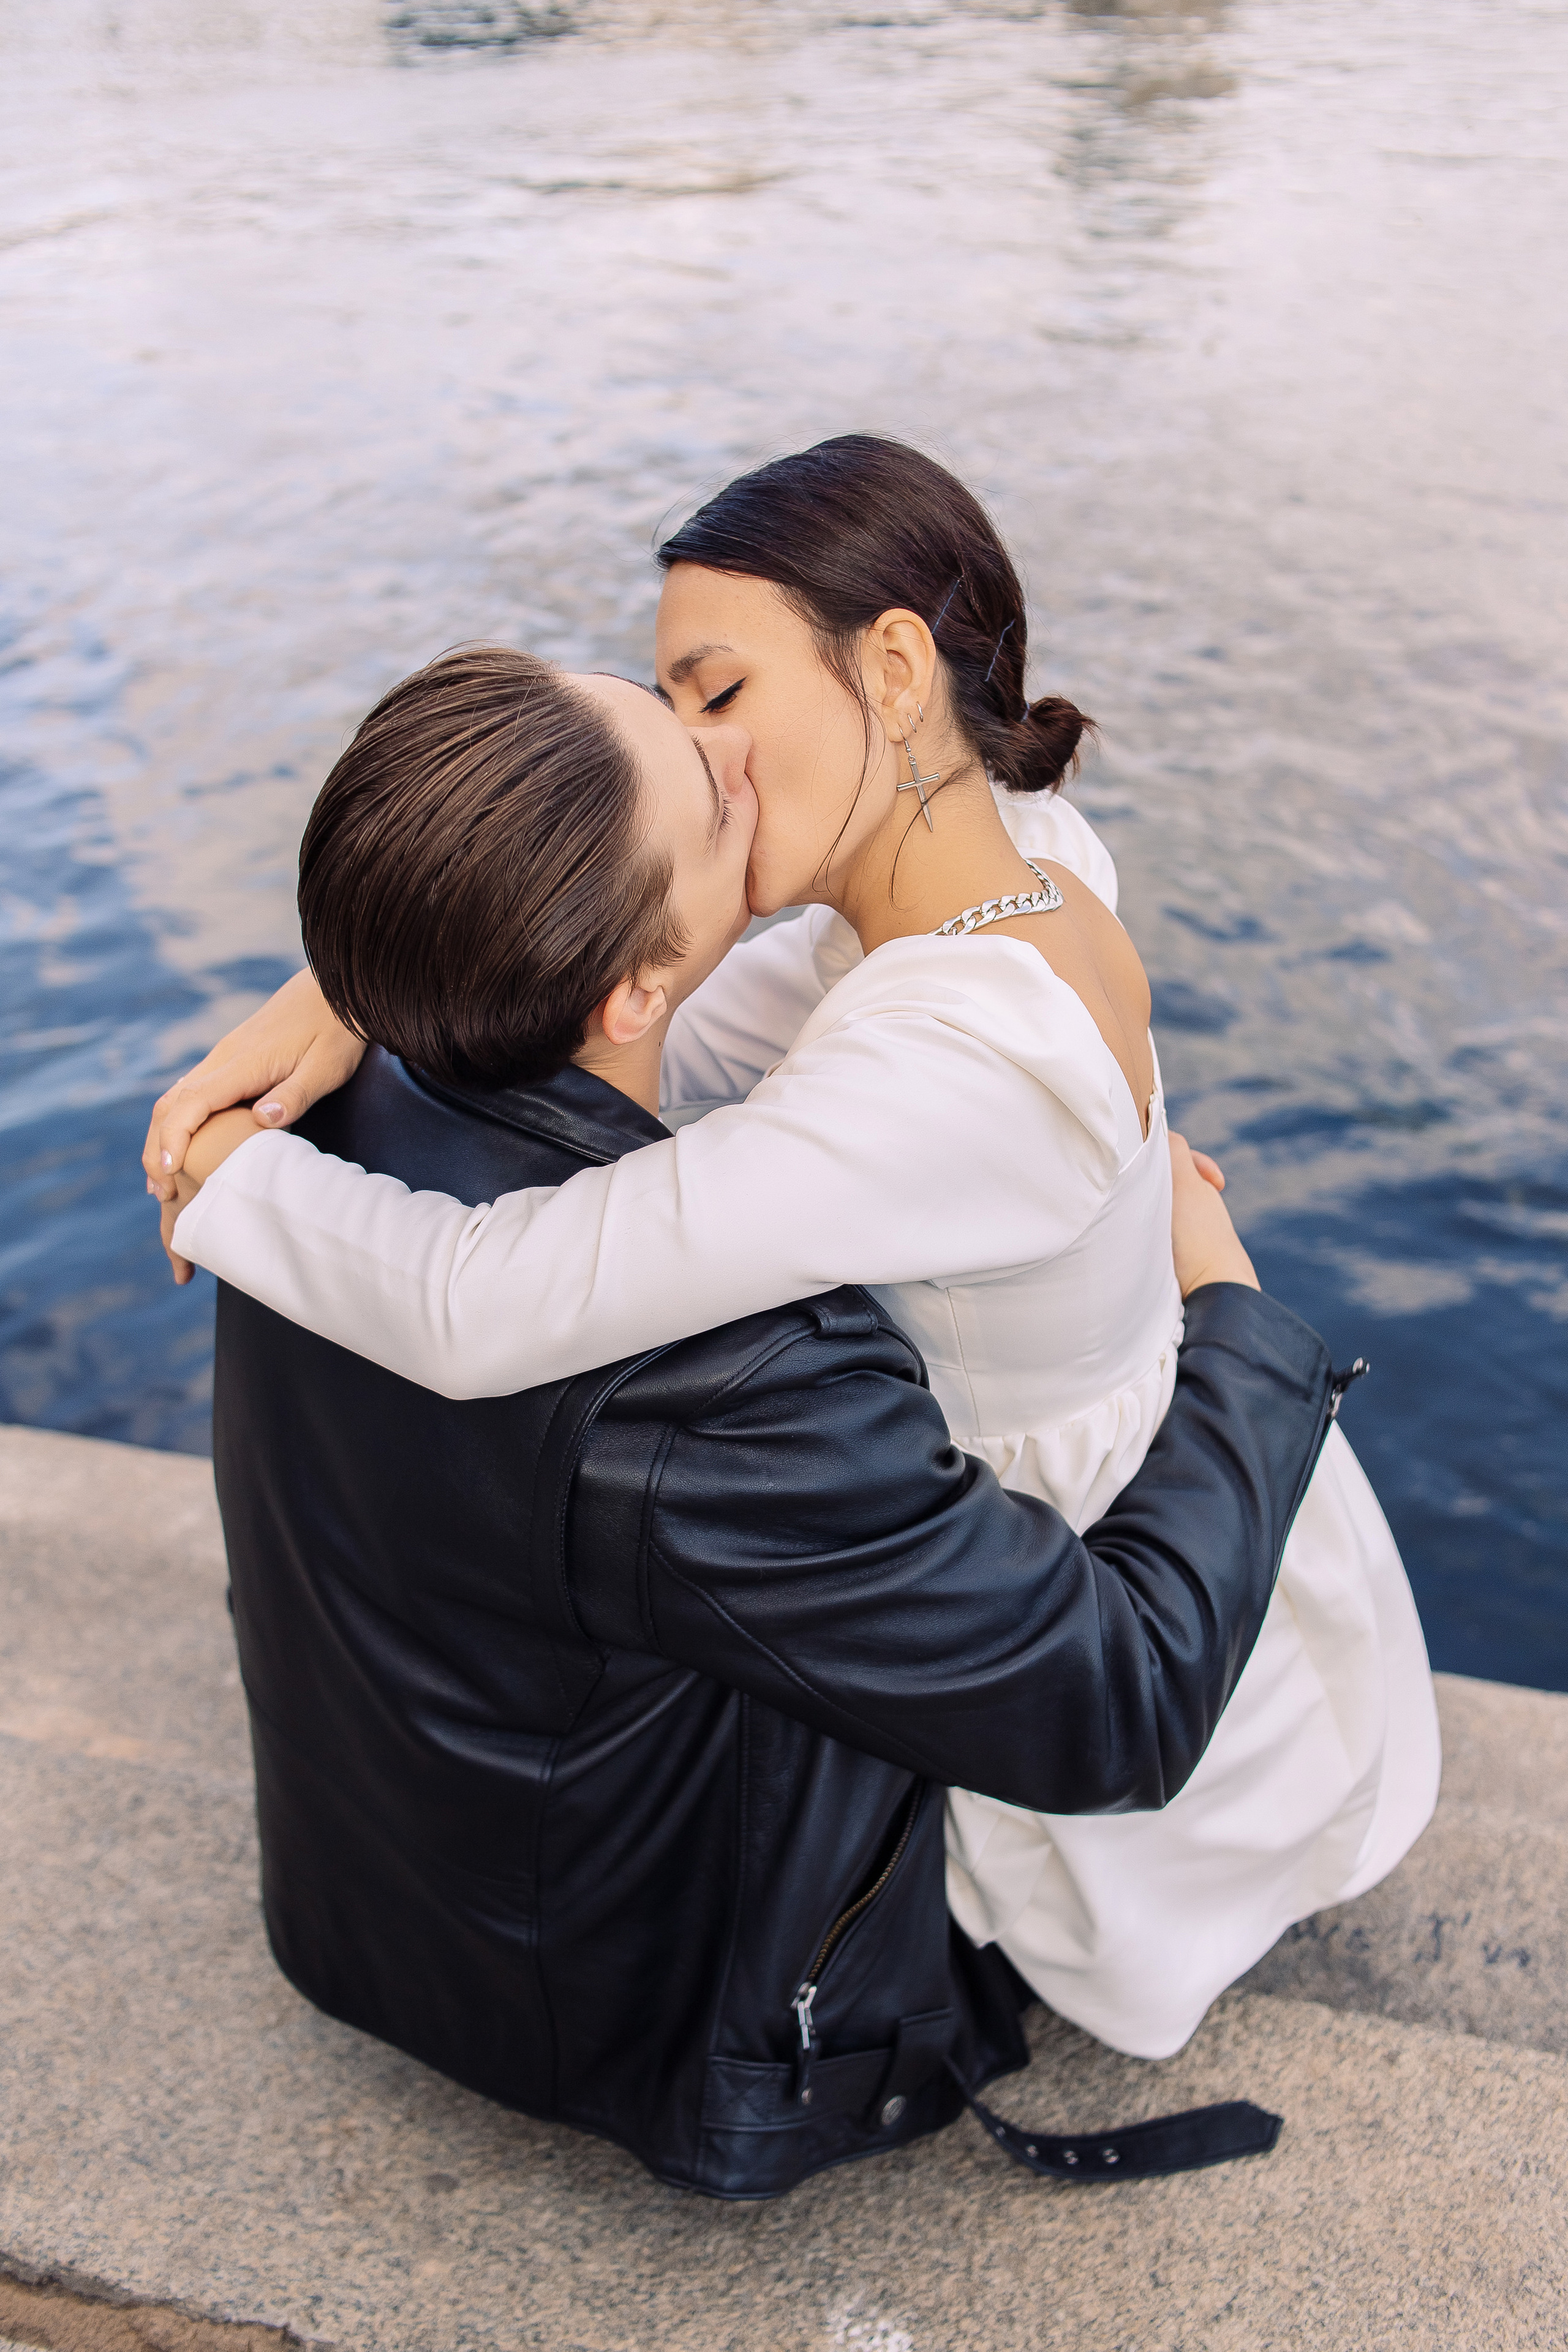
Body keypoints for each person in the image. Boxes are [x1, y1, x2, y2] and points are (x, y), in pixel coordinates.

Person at [149, 436, 1439, 2067]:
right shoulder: (1011, 860)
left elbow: (479, 1302)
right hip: (1074, 1461)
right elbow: (657, 1024)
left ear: (892, 671)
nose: (712, 757)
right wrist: (356, 984)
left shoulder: (943, 1071)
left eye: (719, 695)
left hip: (1078, 1558)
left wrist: (224, 1179)